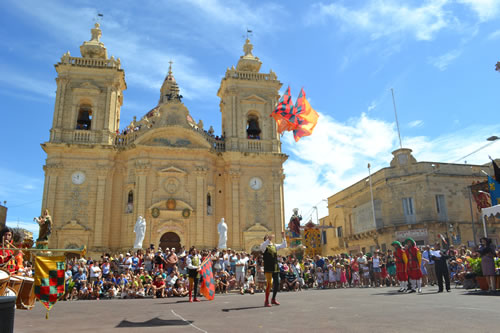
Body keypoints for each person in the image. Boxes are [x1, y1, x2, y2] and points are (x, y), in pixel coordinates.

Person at [260, 232, 287, 307]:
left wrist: (283, 237)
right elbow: (264, 245)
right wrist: (268, 239)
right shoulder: (263, 246)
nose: (270, 240)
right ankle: (266, 301)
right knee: (269, 283)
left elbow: (284, 245)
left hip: (275, 267)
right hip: (268, 267)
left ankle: (273, 299)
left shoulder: (274, 246)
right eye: (268, 238)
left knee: (277, 283)